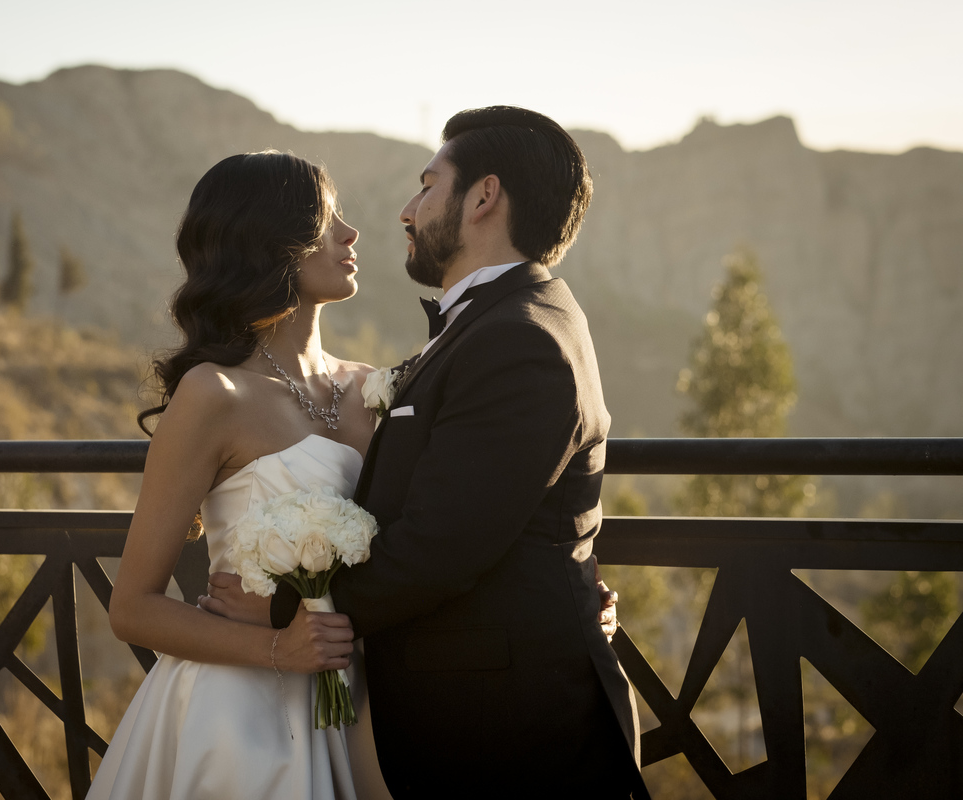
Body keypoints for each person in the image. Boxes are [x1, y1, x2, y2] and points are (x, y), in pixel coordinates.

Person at [207, 106, 648, 797]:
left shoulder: (518, 337)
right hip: (460, 714)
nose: (408, 211)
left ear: (482, 197)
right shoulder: (499, 323)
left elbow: (440, 548)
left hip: (507, 732)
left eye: (427, 185)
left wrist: (283, 612)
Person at [86, 151, 380, 799]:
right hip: (242, 720)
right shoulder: (212, 395)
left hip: (362, 709)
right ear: (270, 242)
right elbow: (132, 608)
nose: (350, 234)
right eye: (328, 218)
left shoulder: (371, 390)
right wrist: (281, 650)